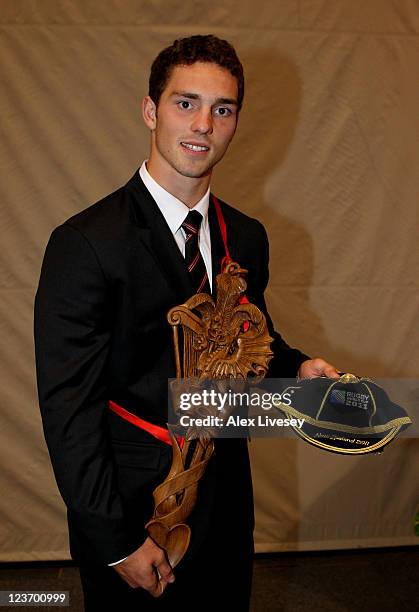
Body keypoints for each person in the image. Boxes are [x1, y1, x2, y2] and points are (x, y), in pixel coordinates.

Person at [34, 34, 339, 611]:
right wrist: (116, 542)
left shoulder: (246, 236)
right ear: (151, 110)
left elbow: (251, 344)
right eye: (185, 103)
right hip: (133, 514)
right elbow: (67, 410)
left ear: (235, 123)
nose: (203, 124)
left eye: (221, 109)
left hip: (226, 507)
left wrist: (300, 370)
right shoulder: (85, 244)